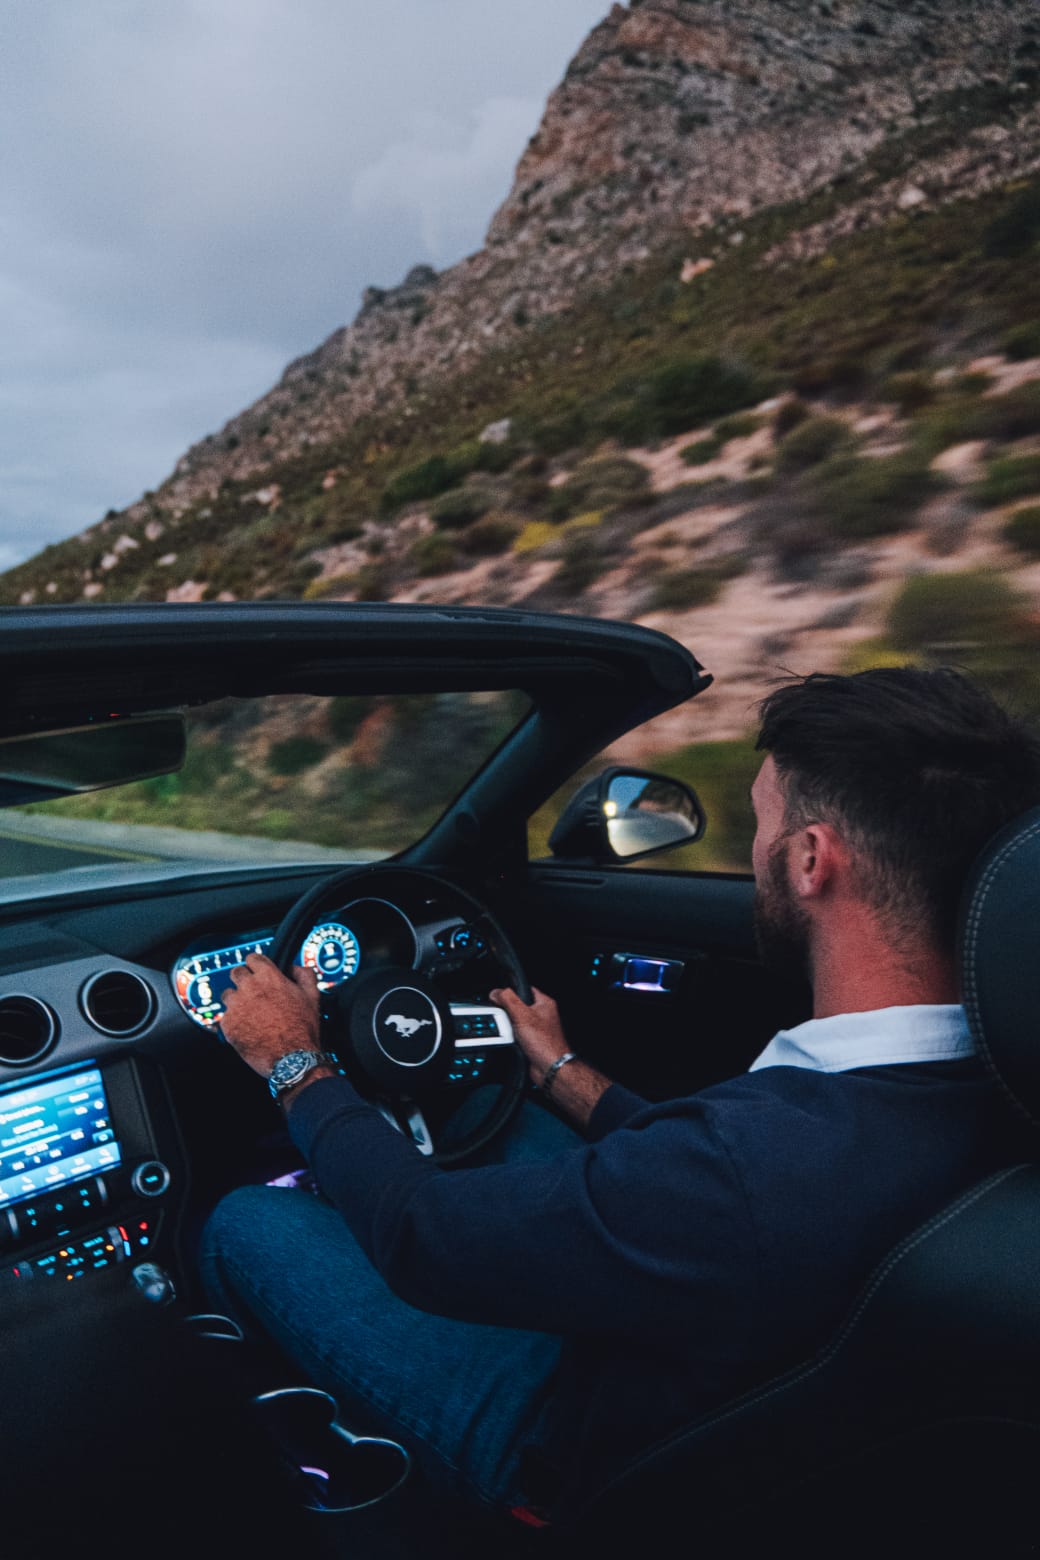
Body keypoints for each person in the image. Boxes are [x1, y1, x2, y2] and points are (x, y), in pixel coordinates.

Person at [200, 666, 1040, 1523]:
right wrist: (563, 1074)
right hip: (732, 1368)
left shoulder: (754, 1165)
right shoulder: (981, 1083)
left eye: (762, 823)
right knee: (510, 1121)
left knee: (243, 1221)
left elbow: (424, 1238)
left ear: (812, 859)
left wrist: (297, 1063)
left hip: (579, 1447)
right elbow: (707, 1182)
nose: (756, 852)